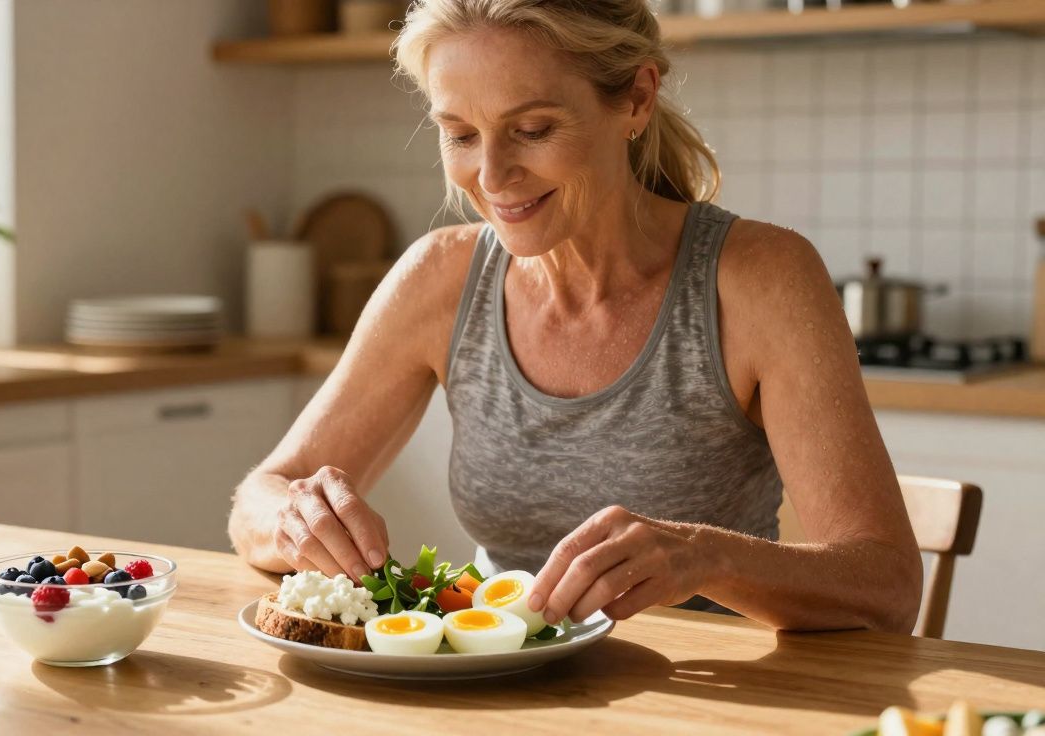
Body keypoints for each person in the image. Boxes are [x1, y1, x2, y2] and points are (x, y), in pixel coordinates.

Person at [228, 0, 922, 633]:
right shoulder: (439, 277)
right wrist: (292, 519)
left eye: (531, 130)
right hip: (494, 697)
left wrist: (702, 558)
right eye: (461, 135)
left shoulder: (760, 279)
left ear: (637, 101)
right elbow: (258, 499)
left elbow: (886, 583)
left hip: (705, 702)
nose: (493, 177)